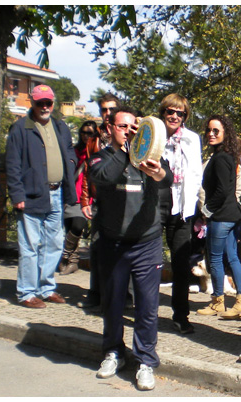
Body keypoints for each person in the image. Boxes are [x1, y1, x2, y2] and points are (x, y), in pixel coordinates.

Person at [89, 106, 173, 391]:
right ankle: (113, 352)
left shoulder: (149, 155)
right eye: (122, 126)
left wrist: (158, 170)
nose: (127, 131)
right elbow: (103, 178)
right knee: (112, 304)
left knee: (147, 308)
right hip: (113, 244)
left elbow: (168, 178)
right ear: (111, 128)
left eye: (132, 127)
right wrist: (127, 151)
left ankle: (145, 361)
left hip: (146, 243)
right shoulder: (104, 157)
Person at [5, 84, 77, 308]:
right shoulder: (20, 128)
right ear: (32, 103)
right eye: (40, 103)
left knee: (54, 243)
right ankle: (26, 292)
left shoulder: (60, 127)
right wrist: (17, 195)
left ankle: (46, 288)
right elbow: (12, 164)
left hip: (57, 193)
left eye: (48, 102)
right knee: (30, 245)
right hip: (31, 195)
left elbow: (69, 153)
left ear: (53, 103)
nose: (44, 106)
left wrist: (71, 167)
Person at [156, 94, 202, 334]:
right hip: (155, 203)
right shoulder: (154, 135)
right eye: (170, 111)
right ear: (163, 113)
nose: (174, 116)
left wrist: (196, 207)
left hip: (182, 206)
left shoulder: (192, 139)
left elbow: (196, 174)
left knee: (181, 264)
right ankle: (144, 309)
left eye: (180, 113)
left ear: (185, 116)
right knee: (149, 261)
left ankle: (180, 315)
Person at [78, 93, 121, 308]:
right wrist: (85, 200)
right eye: (104, 109)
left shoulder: (126, 134)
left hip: (122, 197)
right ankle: (95, 293)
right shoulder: (94, 138)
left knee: (122, 248)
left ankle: (125, 295)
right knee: (96, 246)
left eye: (111, 109)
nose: (107, 114)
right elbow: (87, 170)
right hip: (100, 199)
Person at [196, 115, 241, 318]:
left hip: (221, 215)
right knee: (232, 257)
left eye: (216, 130)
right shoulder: (227, 155)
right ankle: (239, 302)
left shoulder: (221, 158)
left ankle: (217, 302)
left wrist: (206, 211)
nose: (211, 134)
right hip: (231, 214)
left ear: (225, 133)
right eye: (209, 130)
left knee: (215, 259)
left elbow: (223, 190)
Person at [58, 120, 99, 275]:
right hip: (71, 192)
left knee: (77, 226)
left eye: (89, 133)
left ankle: (64, 256)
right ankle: (72, 262)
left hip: (86, 196)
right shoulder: (74, 151)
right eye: (83, 132)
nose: (85, 136)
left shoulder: (97, 152)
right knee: (70, 228)